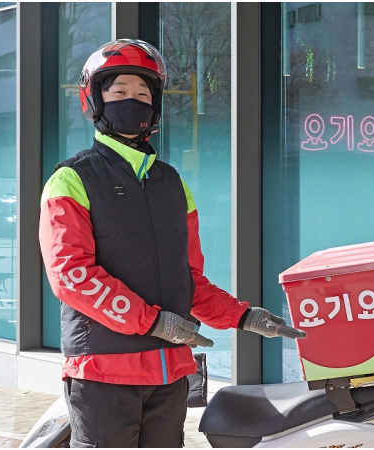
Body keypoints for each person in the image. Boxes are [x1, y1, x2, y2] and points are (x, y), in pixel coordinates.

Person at [39, 39, 306, 448]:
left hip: (169, 373)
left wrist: (243, 316)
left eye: (143, 93)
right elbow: (71, 276)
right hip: (103, 373)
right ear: (94, 100)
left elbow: (188, 279)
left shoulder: (173, 183)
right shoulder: (72, 179)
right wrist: (152, 321)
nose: (133, 101)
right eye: (120, 91)